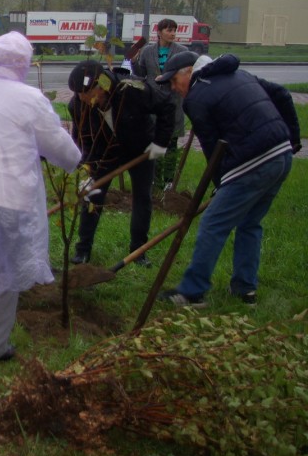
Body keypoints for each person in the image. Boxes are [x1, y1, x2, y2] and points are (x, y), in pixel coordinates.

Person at [0, 32, 82, 363]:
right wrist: (76, 160)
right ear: (23, 61)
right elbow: (58, 146)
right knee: (3, 267)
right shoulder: (30, 98)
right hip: (7, 193)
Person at [155, 51, 301, 307]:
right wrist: (293, 139)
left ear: (189, 72)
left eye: (174, 81)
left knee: (213, 223)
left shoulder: (197, 97)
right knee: (250, 222)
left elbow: (213, 148)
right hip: (282, 155)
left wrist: (221, 184)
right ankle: (245, 290)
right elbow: (282, 94)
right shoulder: (238, 74)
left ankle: (192, 292)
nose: (175, 89)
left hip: (252, 161)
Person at [67, 59, 175, 266]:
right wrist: (86, 171)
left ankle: (138, 252)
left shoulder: (132, 90)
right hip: (105, 153)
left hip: (140, 149)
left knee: (142, 198)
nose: (83, 99)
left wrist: (160, 142)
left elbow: (167, 105)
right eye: (79, 95)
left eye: (87, 94)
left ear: (101, 86)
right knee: (93, 195)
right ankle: (82, 251)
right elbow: (83, 140)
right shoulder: (78, 105)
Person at [133, 18, 188, 190]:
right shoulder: (148, 51)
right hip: (154, 103)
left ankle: (168, 181)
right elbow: (141, 73)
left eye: (174, 30)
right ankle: (154, 179)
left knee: (171, 142)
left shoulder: (182, 51)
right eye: (169, 30)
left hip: (174, 101)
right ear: (159, 32)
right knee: (154, 139)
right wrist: (134, 61)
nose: (172, 34)